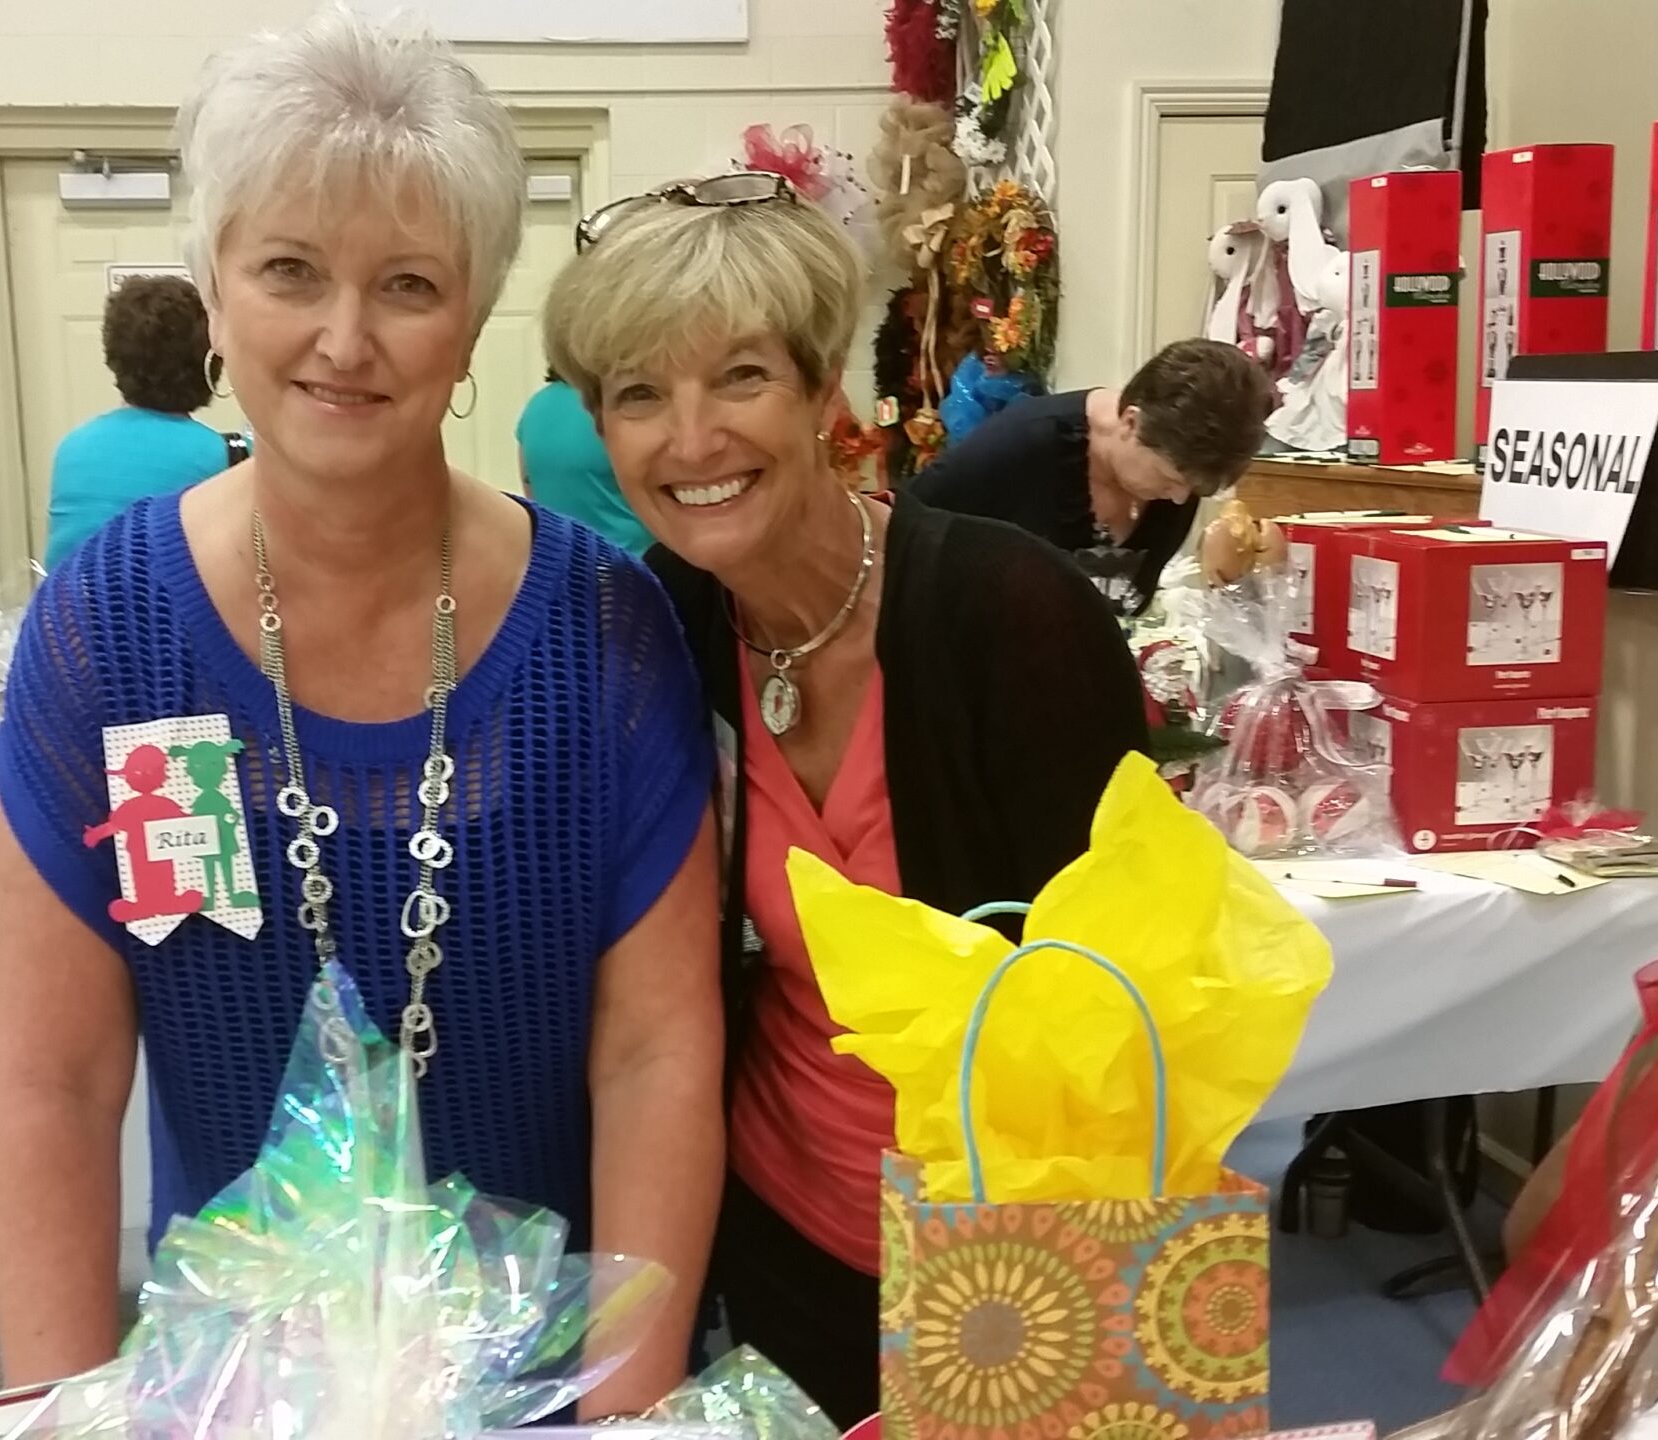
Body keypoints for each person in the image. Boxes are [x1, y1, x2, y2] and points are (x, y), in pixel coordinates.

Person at [0, 10, 724, 1412]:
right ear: (213, 295)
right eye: (290, 271)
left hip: (550, 1388)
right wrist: (61, 1416)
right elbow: (52, 1090)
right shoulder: (113, 633)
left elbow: (653, 1057)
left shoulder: (603, 629)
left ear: (473, 318)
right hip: (224, 1397)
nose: (344, 338)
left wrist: (625, 1411)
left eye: (407, 284)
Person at [543, 172, 1148, 1427]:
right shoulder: (660, 628)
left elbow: (1123, 1001)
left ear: (824, 390)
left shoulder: (1007, 616)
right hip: (784, 1238)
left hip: (1017, 1255)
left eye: (740, 377)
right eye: (640, 394)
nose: (691, 438)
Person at [907, 336, 1276, 616]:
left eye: (1193, 489)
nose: (1180, 498)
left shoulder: (1181, 472)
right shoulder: (1021, 444)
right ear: (1130, 422)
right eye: (1170, 478)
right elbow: (900, 534)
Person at [42, 273, 240, 570]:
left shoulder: (72, 448)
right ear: (210, 362)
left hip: (67, 599)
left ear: (114, 355)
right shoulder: (225, 456)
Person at [516, 369, 650, 555]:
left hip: (563, 563)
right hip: (637, 561)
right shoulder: (621, 409)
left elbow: (531, 491)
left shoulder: (536, 407)